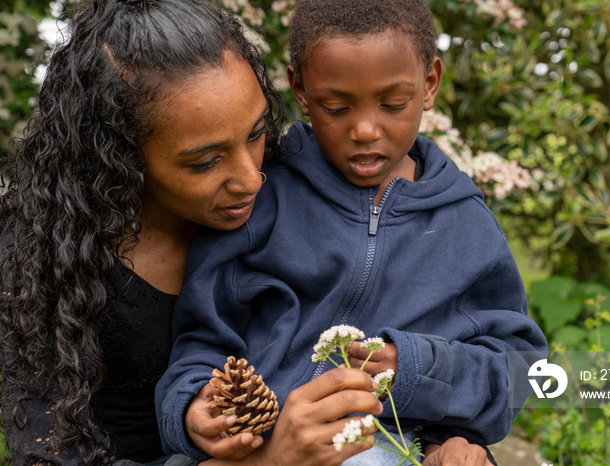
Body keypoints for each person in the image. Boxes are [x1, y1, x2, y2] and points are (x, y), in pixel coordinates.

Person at [0, 0, 394, 464]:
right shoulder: (36, 257)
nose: (251, 179)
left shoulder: (293, 191)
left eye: (257, 132)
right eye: (205, 161)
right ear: (117, 155)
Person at [156, 0, 548, 464]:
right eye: (336, 107)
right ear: (300, 89)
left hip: (383, 446)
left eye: (393, 104)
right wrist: (192, 410)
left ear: (429, 84)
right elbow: (201, 342)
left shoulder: (468, 228)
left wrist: (417, 371)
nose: (364, 129)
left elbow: (522, 371)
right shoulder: (260, 198)